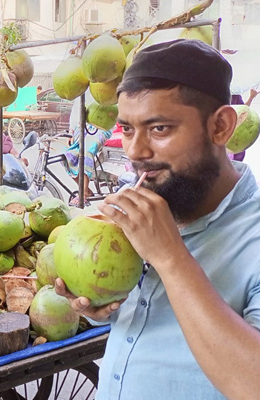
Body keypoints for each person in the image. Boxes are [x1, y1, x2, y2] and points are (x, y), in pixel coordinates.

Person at [55, 39, 260, 399]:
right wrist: (99, 306)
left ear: (221, 127)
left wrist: (169, 257)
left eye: (159, 129)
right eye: (128, 129)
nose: (135, 151)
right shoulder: (148, 209)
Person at [64, 90, 113, 206]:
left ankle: (83, 193)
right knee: (67, 156)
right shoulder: (83, 88)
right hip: (82, 126)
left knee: (86, 152)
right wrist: (71, 132)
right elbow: (76, 109)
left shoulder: (107, 88)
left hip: (102, 127)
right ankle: (86, 189)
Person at [228, 87, 257, 161]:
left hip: (238, 133)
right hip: (224, 136)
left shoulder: (235, 96)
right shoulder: (217, 95)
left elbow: (244, 110)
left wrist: (251, 97)